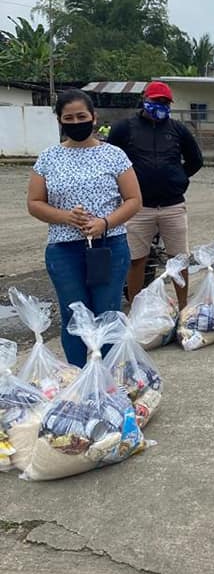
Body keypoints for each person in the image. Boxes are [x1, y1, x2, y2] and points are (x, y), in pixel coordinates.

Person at [27, 89, 142, 367]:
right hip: (64, 250)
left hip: (109, 247)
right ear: (59, 120)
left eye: (81, 116)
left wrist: (105, 223)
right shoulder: (48, 158)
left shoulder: (114, 155)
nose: (76, 122)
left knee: (107, 315)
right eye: (69, 118)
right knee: (74, 316)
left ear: (94, 117)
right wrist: (65, 217)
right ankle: (80, 377)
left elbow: (134, 200)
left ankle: (109, 378)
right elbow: (34, 203)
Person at [108, 80, 203, 309]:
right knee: (136, 260)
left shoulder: (177, 129)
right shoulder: (124, 128)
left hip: (172, 206)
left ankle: (183, 308)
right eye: (156, 101)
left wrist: (177, 177)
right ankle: (136, 308)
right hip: (138, 207)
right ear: (145, 100)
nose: (161, 106)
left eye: (165, 102)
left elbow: (196, 160)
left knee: (179, 260)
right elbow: (110, 161)